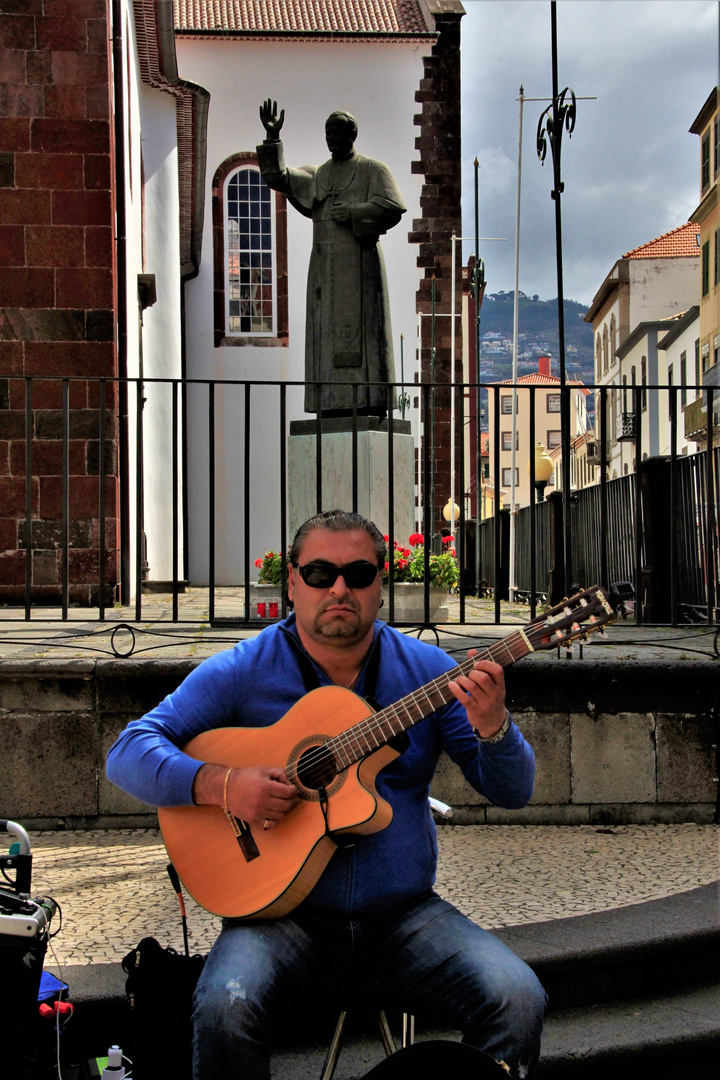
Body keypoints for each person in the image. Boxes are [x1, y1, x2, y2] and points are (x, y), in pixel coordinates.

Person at [106, 510, 546, 1080]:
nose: (340, 589)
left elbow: (514, 792)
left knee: (519, 998)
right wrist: (223, 784)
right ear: (292, 581)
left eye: (358, 573)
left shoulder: (429, 674)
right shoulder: (246, 669)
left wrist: (495, 727)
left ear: (380, 583)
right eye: (319, 573)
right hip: (280, 921)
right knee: (223, 1007)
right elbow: (128, 750)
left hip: (403, 918)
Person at [257, 102, 406, 418]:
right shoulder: (318, 175)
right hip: (325, 268)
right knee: (325, 336)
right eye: (328, 133)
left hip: (361, 264)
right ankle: (329, 404)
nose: (332, 138)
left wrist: (354, 212)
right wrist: (273, 139)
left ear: (353, 134)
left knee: (366, 334)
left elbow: (392, 207)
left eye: (338, 132)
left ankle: (370, 401)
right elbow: (280, 178)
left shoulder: (372, 170)